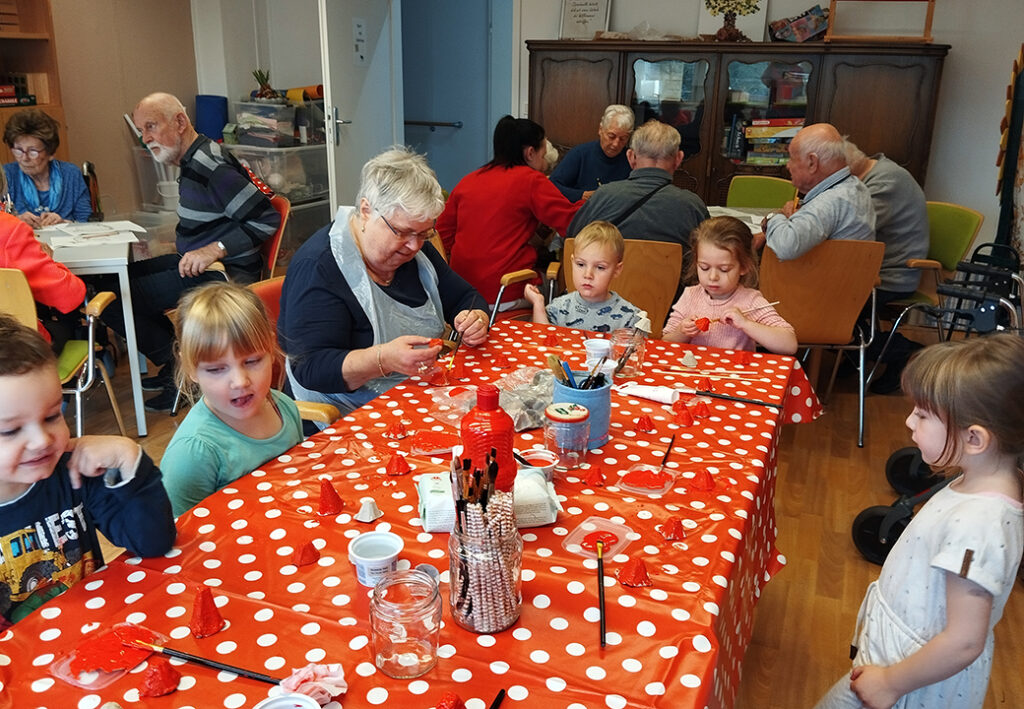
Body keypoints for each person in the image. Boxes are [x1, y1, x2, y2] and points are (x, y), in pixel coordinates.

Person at [814, 334, 1024, 709]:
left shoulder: (979, 524)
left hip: (908, 682)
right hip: (896, 660)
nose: (910, 420)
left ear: (975, 438)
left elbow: (964, 640)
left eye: (923, 415)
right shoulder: (976, 481)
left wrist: (891, 683)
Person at [102, 92, 281, 412]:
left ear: (180, 122)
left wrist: (214, 249)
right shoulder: (193, 159)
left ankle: (176, 371)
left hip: (223, 274)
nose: (146, 139)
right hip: (199, 263)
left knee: (110, 297)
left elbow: (267, 217)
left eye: (152, 127)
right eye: (142, 131)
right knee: (114, 279)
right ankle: (175, 366)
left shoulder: (207, 163)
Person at [279, 146, 490, 417]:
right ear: (366, 210)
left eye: (424, 233)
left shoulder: (416, 253)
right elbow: (311, 368)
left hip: (406, 397)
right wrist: (382, 359)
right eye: (402, 232)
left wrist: (475, 318)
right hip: (338, 415)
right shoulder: (320, 266)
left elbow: (465, 297)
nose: (414, 246)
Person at [0, 315, 176, 628]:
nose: (41, 440)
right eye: (11, 431)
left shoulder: (72, 473)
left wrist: (129, 458)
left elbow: (153, 543)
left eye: (52, 416)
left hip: (94, 638)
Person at [160, 282, 302, 517]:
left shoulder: (283, 407)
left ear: (269, 346)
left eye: (252, 361)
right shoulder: (194, 452)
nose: (240, 381)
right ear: (191, 368)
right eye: (216, 369)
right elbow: (176, 536)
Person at [437, 115, 581, 309]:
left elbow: (441, 236)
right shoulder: (531, 180)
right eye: (542, 154)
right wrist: (598, 199)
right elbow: (571, 223)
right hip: (504, 292)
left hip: (461, 295)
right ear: (530, 153)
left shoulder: (468, 181)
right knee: (556, 291)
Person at [565, 119, 709, 270]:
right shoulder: (693, 206)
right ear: (678, 159)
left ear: (631, 157)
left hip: (605, 289)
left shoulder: (603, 196)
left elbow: (572, 240)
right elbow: (706, 260)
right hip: (673, 293)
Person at [845, 138, 929, 394]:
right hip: (869, 270)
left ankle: (902, 352)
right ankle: (851, 354)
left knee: (833, 312)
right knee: (833, 309)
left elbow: (850, 228)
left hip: (892, 275)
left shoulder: (885, 181)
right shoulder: (871, 174)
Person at [664, 216, 796, 354]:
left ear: (744, 267)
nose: (713, 277)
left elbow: (789, 345)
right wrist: (682, 332)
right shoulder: (690, 296)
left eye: (724, 269)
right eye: (704, 267)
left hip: (734, 374)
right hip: (692, 372)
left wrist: (746, 324)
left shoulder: (751, 301)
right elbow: (665, 343)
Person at [760, 123, 875, 260]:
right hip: (848, 278)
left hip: (815, 280)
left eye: (792, 158)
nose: (788, 165)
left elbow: (786, 246)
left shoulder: (831, 199)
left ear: (812, 162)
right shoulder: (856, 188)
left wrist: (774, 217)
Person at [523, 220, 641, 333]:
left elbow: (637, 351)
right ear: (572, 262)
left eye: (600, 267)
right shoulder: (558, 308)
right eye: (581, 264)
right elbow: (542, 340)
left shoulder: (630, 317)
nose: (588, 275)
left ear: (617, 270)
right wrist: (538, 303)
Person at [0, 204, 85, 353]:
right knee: (67, 326)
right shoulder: (9, 229)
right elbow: (69, 297)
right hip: (16, 346)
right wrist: (48, 261)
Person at [2, 108, 90, 225]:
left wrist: (64, 222)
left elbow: (88, 222)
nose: (24, 158)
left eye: (33, 151)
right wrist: (14, 221)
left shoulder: (71, 174)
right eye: (18, 150)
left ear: (51, 153)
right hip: (20, 242)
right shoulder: (5, 175)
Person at [549, 104, 635, 202]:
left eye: (623, 139)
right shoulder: (580, 154)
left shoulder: (631, 159)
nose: (616, 144)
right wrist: (581, 195)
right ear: (600, 130)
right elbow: (552, 185)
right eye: (611, 136)